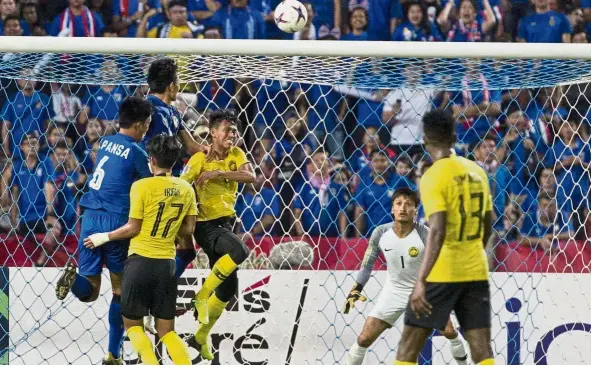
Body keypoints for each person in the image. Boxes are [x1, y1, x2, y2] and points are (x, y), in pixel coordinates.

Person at [54, 96, 153, 365]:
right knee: (119, 291)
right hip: (117, 222)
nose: (147, 129)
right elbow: (149, 188)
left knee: (89, 291)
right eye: (146, 124)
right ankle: (113, 353)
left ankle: (73, 280)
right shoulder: (137, 152)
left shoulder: (106, 142)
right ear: (140, 124)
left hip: (90, 218)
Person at [83, 134, 197, 365]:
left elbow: (133, 227)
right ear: (176, 160)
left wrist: (103, 237)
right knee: (167, 333)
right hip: (167, 265)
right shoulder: (186, 189)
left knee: (133, 328)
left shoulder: (141, 186)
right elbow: (188, 229)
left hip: (139, 264)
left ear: (152, 161)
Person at [394, 110, 494, 365]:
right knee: (482, 351)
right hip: (476, 270)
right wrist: (472, 252)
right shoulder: (477, 171)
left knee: (408, 347)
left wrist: (421, 280)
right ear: (453, 135)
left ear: (425, 139)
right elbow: (488, 223)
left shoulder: (433, 176)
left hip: (442, 272)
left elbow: (437, 230)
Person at [344, 188, 468, 365]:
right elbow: (367, 265)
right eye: (399, 204)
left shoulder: (425, 234)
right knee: (364, 339)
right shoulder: (380, 233)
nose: (403, 208)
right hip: (394, 291)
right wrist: (357, 288)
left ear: (415, 211)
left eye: (408, 204)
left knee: (449, 332)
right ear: (392, 209)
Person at [179, 109, 255, 360]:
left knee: (227, 290)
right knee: (240, 250)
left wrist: (218, 173)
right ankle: (200, 297)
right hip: (205, 224)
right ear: (212, 132)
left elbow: (251, 176)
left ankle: (200, 336)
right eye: (227, 129)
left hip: (226, 224)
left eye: (234, 130)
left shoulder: (236, 154)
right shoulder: (199, 158)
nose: (232, 134)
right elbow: (181, 185)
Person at [142, 57, 208, 174]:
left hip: (174, 175)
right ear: (171, 86)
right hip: (152, 176)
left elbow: (191, 146)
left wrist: (211, 149)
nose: (179, 87)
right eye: (178, 82)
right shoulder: (146, 107)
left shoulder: (174, 112)